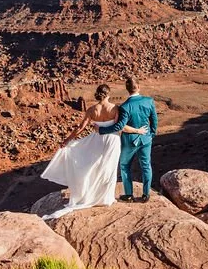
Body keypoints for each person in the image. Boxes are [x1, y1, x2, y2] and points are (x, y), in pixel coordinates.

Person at [40, 84, 147, 219]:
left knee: (94, 166)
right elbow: (121, 127)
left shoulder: (91, 110)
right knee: (108, 169)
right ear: (108, 94)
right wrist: (138, 131)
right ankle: (105, 198)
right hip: (112, 141)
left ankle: (92, 194)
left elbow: (80, 127)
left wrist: (67, 140)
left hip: (97, 140)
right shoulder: (115, 108)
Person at [98, 76, 158, 202]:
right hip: (146, 139)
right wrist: (151, 134)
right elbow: (154, 120)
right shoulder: (149, 101)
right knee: (146, 166)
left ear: (127, 89)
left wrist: (102, 130)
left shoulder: (125, 106)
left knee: (125, 166)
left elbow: (120, 126)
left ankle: (129, 194)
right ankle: (146, 194)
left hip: (129, 141)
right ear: (139, 87)